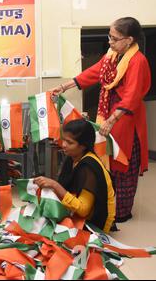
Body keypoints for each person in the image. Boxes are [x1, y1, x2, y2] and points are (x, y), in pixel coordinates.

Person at [51, 17, 151, 223]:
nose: (110, 42)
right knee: (105, 162)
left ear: (129, 40)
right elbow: (92, 73)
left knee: (121, 163)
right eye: (110, 37)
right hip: (108, 114)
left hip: (125, 117)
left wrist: (112, 120)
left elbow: (132, 96)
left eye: (115, 38)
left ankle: (121, 211)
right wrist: (63, 87)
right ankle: (105, 203)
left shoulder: (138, 60)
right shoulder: (111, 56)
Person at [34, 119, 116, 234]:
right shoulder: (73, 157)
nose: (63, 145)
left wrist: (54, 185)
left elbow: (83, 210)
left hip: (95, 223)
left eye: (70, 142)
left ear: (83, 146)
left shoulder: (89, 167)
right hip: (79, 212)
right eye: (63, 140)